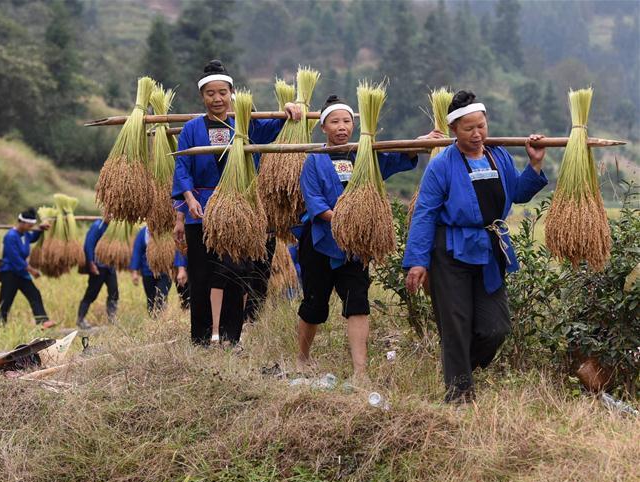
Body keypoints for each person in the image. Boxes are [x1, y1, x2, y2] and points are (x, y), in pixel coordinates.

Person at [403, 90, 548, 404]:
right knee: (455, 324)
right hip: (450, 252)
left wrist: (534, 166)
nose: (477, 134)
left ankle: (458, 370)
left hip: (488, 249)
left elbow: (518, 193)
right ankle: (459, 396)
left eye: (481, 126)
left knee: (495, 327)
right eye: (468, 128)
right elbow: (425, 213)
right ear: (454, 130)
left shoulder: (499, 155)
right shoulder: (441, 166)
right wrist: (417, 261)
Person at [296, 95, 444, 378]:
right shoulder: (314, 159)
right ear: (323, 127)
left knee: (358, 302)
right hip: (320, 243)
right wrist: (349, 219)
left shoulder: (365, 154)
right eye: (335, 122)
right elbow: (314, 202)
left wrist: (418, 142)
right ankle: (302, 359)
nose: (342, 127)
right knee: (314, 304)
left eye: (347, 121)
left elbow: (398, 159)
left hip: (356, 247)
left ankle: (360, 371)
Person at [172, 59, 302, 345]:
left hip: (239, 213)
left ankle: (232, 337)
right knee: (201, 277)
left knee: (235, 273)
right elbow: (181, 165)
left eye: (222, 92)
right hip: (201, 210)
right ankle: (202, 339)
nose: (217, 98)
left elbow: (274, 127)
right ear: (202, 96)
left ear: (231, 93)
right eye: (210, 93)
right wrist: (189, 199)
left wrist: (289, 110)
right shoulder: (192, 128)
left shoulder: (244, 125)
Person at [0, 209, 56, 328]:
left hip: (21, 273)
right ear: (22, 223)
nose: (31, 228)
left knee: (34, 294)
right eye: (29, 225)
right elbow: (15, 258)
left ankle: (42, 321)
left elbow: (32, 238)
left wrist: (40, 230)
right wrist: (31, 270)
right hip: (10, 273)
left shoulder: (25, 234)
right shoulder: (10, 236)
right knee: (6, 300)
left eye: (32, 226)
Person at [129, 225, 188, 314]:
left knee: (161, 297)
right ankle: (154, 320)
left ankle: (160, 319)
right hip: (147, 272)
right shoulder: (143, 233)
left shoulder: (169, 232)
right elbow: (137, 252)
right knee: (150, 299)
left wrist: (180, 269)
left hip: (165, 272)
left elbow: (177, 250)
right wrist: (134, 272)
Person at [77, 218, 118, 330]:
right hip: (98, 267)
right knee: (91, 293)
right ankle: (80, 319)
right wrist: (91, 263)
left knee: (114, 292)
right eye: (109, 213)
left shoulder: (115, 227)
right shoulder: (97, 226)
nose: (111, 216)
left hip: (110, 267)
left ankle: (112, 319)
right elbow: (88, 245)